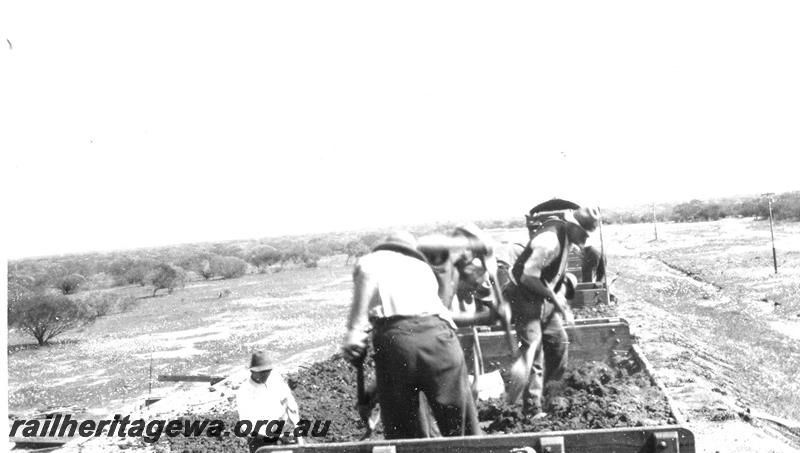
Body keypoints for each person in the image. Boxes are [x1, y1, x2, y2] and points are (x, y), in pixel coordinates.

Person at [341, 231, 480, 439]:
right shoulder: (422, 268)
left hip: (396, 339)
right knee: (459, 424)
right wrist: (375, 390)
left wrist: (354, 332)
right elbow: (420, 345)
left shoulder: (370, 261)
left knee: (404, 427)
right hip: (442, 339)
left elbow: (406, 347)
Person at [506, 206, 600, 416]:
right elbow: (527, 278)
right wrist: (555, 300)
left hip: (542, 294)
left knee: (558, 342)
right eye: (583, 235)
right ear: (574, 227)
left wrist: (559, 297)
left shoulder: (568, 238)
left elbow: (552, 274)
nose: (583, 240)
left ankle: (551, 393)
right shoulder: (549, 241)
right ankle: (533, 409)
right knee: (534, 351)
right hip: (524, 296)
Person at [235, 351, 301, 452]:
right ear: (252, 371)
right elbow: (247, 425)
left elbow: (290, 403)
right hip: (261, 440)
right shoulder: (244, 392)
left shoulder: (276, 380)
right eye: (261, 372)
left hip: (283, 432)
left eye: (268, 371)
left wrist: (295, 425)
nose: (265, 375)